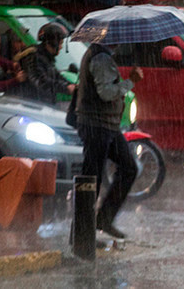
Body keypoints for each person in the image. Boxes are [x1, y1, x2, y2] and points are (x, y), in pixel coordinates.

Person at [75, 41, 143, 239]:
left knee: (129, 168)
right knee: (91, 180)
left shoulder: (102, 56)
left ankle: (103, 220)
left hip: (107, 125)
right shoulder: (101, 58)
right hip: (97, 125)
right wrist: (130, 81)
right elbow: (106, 93)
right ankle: (81, 236)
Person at [16, 22, 75, 105]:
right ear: (52, 43)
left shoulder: (47, 57)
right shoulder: (34, 56)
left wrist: (71, 85)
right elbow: (40, 80)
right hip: (34, 104)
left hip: (47, 102)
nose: (61, 47)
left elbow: (56, 75)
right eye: (60, 43)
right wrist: (65, 88)